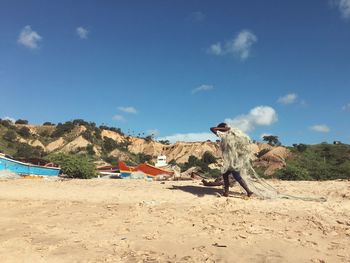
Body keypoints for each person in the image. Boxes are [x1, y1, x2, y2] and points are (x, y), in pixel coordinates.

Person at [210, 123, 254, 197]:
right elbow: (212, 128)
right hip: (230, 161)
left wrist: (226, 129)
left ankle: (248, 191)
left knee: (237, 176)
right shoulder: (224, 135)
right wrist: (225, 129)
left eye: (220, 128)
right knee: (225, 175)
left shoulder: (232, 135)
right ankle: (226, 192)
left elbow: (213, 128)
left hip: (234, 160)